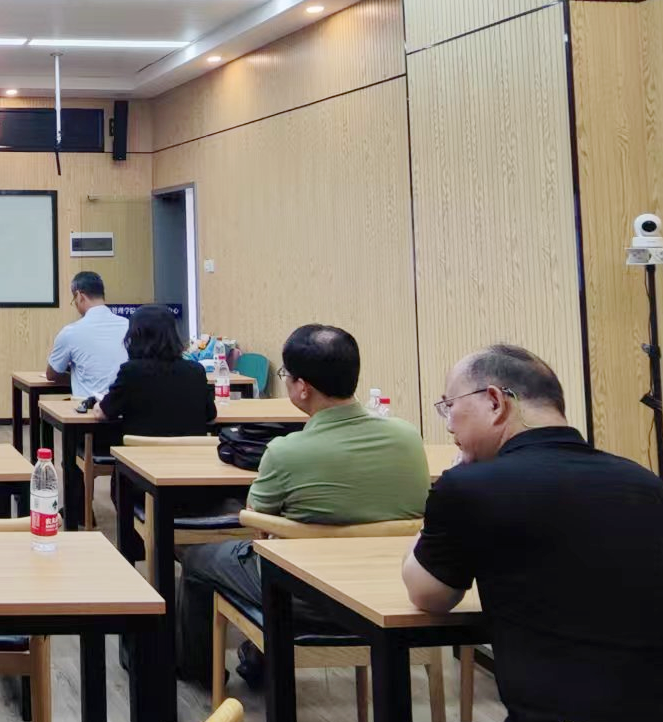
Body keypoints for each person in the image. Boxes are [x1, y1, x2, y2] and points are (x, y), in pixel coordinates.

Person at [403, 345, 663, 722]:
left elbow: (428, 595)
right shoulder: (645, 483)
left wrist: (446, 486)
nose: (449, 424)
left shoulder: (470, 487)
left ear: (495, 401)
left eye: (449, 405)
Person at [176, 324, 429, 683]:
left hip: (305, 596)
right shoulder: (408, 438)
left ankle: (198, 670)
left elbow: (259, 521)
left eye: (287, 376)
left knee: (198, 558)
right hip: (391, 589)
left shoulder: (285, 451)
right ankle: (257, 656)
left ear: (303, 388)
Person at [89, 303, 214, 435]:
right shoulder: (196, 371)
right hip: (190, 448)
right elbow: (211, 416)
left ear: (135, 336)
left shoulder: (131, 372)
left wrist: (96, 405)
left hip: (139, 448)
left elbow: (103, 413)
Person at [46, 271, 129, 401]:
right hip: (124, 407)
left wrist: (76, 375)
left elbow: (52, 374)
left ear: (79, 296)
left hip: (87, 408)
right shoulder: (128, 325)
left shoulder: (70, 332)